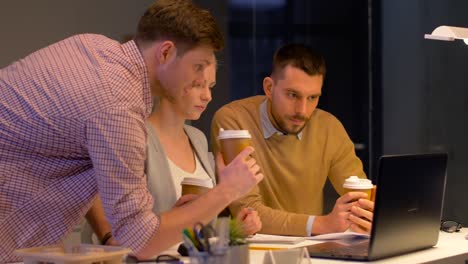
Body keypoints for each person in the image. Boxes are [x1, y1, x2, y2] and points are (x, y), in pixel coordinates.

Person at [0, 0, 263, 262]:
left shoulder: (92, 46)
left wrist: (173, 219)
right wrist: (228, 190)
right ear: (166, 53)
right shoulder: (119, 106)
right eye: (197, 67)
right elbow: (139, 242)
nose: (200, 82)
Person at [84, 57, 262, 245]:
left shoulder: (197, 138)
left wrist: (234, 229)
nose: (208, 96)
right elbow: (107, 212)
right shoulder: (133, 137)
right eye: (198, 85)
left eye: (210, 86)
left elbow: (196, 227)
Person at [211, 43, 374, 237]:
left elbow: (359, 196)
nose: (302, 111)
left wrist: (368, 211)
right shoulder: (233, 121)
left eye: (313, 97)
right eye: (292, 95)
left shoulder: (329, 127)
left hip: (310, 250)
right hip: (252, 250)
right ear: (269, 88)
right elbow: (247, 213)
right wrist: (324, 224)